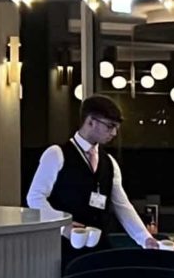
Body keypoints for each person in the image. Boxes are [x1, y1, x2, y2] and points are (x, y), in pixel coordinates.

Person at [26, 95, 161, 248]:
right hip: (61, 246)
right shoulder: (57, 154)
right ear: (90, 122)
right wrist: (63, 225)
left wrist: (145, 239)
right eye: (110, 126)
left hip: (99, 246)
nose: (114, 133)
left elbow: (122, 205)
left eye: (116, 128)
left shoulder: (109, 162)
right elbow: (35, 197)